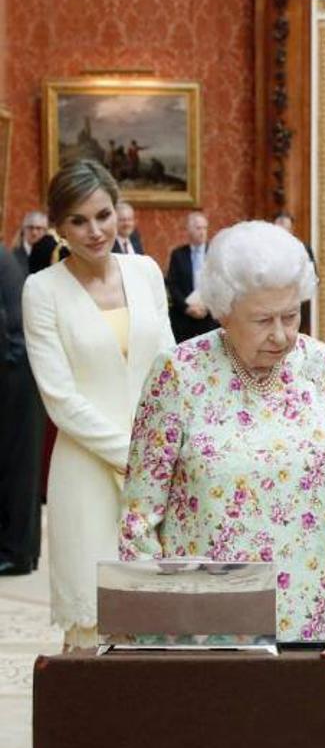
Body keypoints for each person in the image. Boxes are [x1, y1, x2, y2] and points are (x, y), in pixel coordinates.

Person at [119, 221, 325, 643]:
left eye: (291, 315)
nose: (282, 335)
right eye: (263, 320)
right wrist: (153, 631)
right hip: (207, 626)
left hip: (311, 613)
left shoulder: (318, 364)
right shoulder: (179, 373)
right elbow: (139, 518)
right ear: (224, 311)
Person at [21, 160, 174, 650]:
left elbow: (171, 369)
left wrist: (165, 451)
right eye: (79, 221)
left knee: (160, 613)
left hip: (159, 465)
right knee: (93, 620)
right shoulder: (42, 289)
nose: (95, 231)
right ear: (59, 227)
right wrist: (135, 455)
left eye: (103, 215)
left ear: (118, 209)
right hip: (85, 467)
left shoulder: (145, 271)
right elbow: (60, 399)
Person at [0, 246, 44, 576]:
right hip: (17, 367)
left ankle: (15, 553)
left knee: (15, 468)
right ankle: (22, 551)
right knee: (18, 466)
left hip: (15, 370)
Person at [166, 211, 218, 343]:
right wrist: (187, 308)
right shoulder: (178, 255)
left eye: (205, 228)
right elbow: (173, 285)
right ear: (189, 231)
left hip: (210, 317)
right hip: (184, 317)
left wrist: (207, 307)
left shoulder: (215, 252)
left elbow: (220, 283)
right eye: (198, 228)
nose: (202, 232)